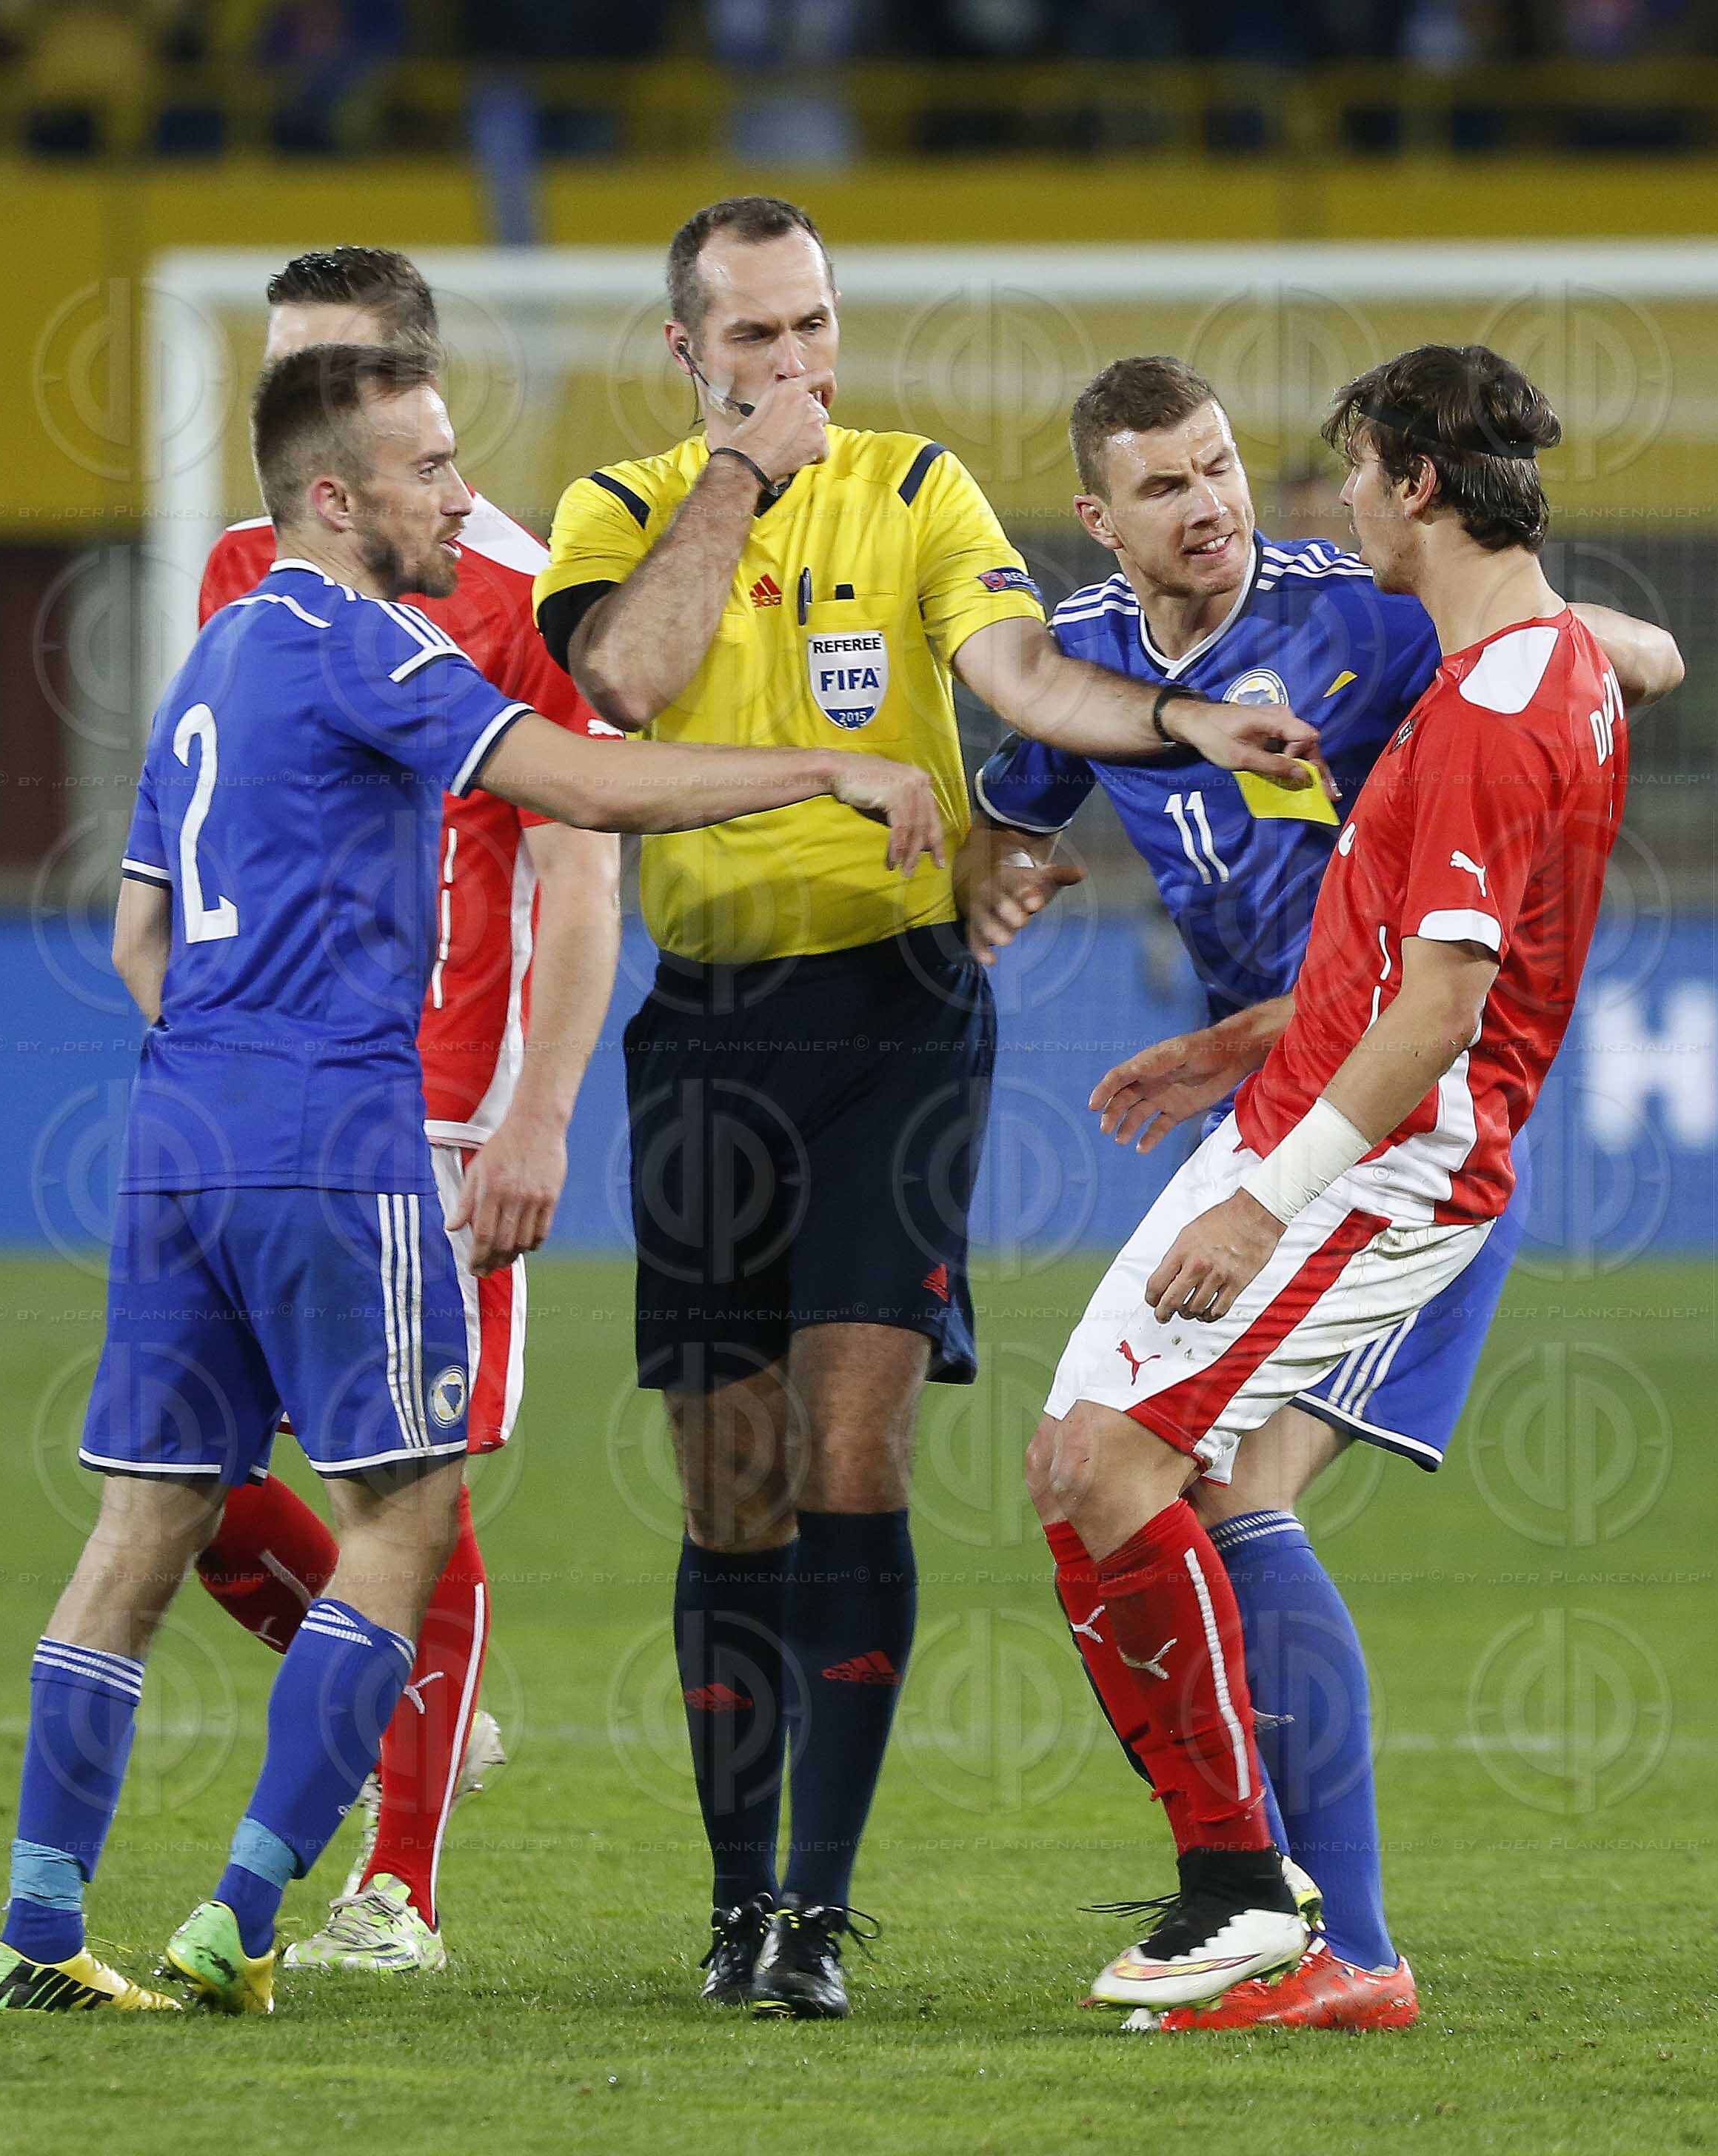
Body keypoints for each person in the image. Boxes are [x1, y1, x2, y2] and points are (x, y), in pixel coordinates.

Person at [0, 340, 949, 2016]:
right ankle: (245, 1908)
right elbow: (578, 782)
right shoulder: (365, 643)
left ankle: (38, 1934)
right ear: (334, 498)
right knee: (407, 1515)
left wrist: (225, 1061)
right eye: (427, 468)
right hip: (331, 1134)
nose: (456, 493)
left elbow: (138, 927)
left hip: (174, 1132)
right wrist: (825, 765)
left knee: (144, 1525)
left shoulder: (208, 654)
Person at [534, 194, 1325, 2019]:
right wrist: (734, 479)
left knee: (851, 1450)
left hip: (897, 1015)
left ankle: (813, 1910)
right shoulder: (621, 509)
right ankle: (732, 1903)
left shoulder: (918, 491)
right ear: (685, 352)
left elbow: (1023, 679)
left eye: (813, 325)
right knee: (728, 1485)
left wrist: (1185, 724)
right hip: (706, 1029)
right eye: (754, 338)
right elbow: (626, 682)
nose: (798, 365)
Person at [968, 355, 1682, 2026]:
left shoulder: (1434, 667)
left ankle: (1315, 1929)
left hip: (1371, 1150)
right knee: (1112, 1464)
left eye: (1265, 468)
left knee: (1198, 1487)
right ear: (1101, 517)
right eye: (1174, 482)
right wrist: (1216, 1046)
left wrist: (1596, 647)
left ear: (1412, 489)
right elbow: (1029, 788)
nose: (1246, 503)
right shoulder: (1129, 658)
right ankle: (1280, 1913)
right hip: (1296, 1092)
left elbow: (1439, 996)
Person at [190, 246, 622, 1975]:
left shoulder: (520, 587)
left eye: (337, 373)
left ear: (413, 397)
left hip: (443, 1125)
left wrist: (539, 1118)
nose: (303, 413)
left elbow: (583, 880)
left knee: (408, 1496)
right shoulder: (246, 567)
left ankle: (399, 1890)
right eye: (281, 379)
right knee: (196, 1481)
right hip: (269, 1108)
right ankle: (406, 1697)